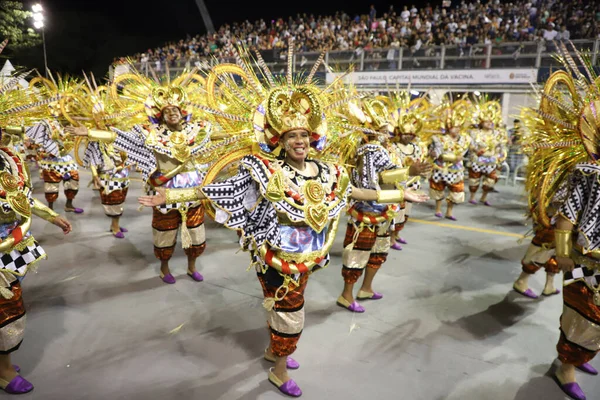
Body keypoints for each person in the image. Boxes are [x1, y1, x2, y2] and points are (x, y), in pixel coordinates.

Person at [138, 47, 428, 397]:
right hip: (274, 253)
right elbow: (217, 189)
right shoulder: (264, 168)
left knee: (284, 308)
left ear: (313, 138)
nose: (299, 141)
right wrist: (169, 197)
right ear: (279, 140)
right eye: (292, 136)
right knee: (291, 313)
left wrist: (399, 195)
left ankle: (274, 348)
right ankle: (278, 369)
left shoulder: (328, 170)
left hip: (307, 255)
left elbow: (353, 193)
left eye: (304, 136)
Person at [68, 69, 211, 284]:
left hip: (193, 191)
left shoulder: (198, 130)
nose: (172, 112)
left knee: (196, 234)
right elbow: (119, 137)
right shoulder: (150, 134)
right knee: (165, 233)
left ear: (183, 111)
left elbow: (218, 140)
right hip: (165, 191)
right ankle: (165, 268)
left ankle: (191, 267)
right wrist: (90, 133)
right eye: (166, 110)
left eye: (175, 109)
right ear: (159, 115)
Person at [522, 49, 600, 400]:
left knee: (595, 323)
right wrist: (565, 252)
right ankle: (565, 366)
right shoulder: (587, 171)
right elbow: (567, 213)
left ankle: (581, 353)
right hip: (585, 261)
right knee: (582, 313)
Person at [0, 66, 72, 393]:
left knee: (10, 306)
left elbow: (23, 199)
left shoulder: (9, 159)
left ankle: (2, 362)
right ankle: (3, 371)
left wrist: (50, 216)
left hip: (11, 247)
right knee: (7, 308)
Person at [335, 96, 431, 313]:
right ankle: (346, 295)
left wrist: (408, 174)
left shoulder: (382, 149)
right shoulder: (369, 150)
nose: (389, 133)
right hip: (366, 211)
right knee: (358, 253)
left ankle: (366, 288)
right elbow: (370, 186)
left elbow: (384, 176)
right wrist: (403, 187)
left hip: (384, 211)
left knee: (379, 251)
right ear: (374, 130)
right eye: (385, 129)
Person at [25, 76, 85, 214]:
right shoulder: (46, 123)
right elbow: (37, 140)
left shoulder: (69, 122)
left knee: (73, 181)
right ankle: (50, 210)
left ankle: (69, 204)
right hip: (51, 160)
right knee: (51, 187)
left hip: (66, 159)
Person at [429, 99, 472, 220]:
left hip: (456, 169)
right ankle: (438, 209)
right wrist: (434, 154)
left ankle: (449, 211)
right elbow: (436, 152)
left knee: (456, 190)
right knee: (438, 188)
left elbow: (464, 151)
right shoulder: (439, 139)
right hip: (441, 168)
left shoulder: (465, 139)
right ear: (448, 128)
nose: (457, 129)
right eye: (454, 127)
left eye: (458, 127)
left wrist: (459, 156)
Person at [468, 99, 507, 206]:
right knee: (474, 180)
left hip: (492, 160)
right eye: (487, 121)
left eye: (491, 121)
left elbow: (502, 146)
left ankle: (483, 197)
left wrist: (502, 154)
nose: (490, 123)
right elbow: (470, 145)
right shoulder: (475, 133)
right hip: (478, 159)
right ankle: (472, 197)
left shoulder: (497, 134)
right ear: (481, 123)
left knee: (490, 180)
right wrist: (476, 150)